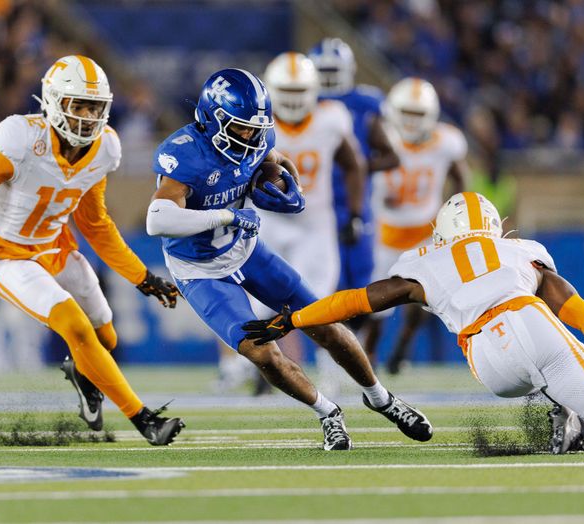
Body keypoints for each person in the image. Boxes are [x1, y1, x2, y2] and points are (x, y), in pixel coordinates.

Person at [0, 55, 184, 446]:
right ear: (55, 102)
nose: (88, 116)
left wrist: (141, 276)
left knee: (105, 335)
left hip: (56, 250)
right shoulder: (21, 140)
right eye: (79, 105)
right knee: (75, 325)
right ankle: (145, 420)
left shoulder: (104, 148)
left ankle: (83, 375)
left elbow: (96, 225)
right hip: (8, 256)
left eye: (95, 107)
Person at [244, 192, 584, 453]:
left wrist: (294, 319)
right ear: (492, 227)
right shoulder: (522, 251)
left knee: (572, 397)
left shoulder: (423, 262)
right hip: (527, 320)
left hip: (486, 360)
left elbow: (355, 301)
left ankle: (579, 426)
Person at [146, 67, 431, 450]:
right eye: (241, 127)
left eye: (255, 127)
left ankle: (382, 399)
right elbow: (157, 219)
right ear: (213, 119)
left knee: (324, 319)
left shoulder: (257, 138)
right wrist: (229, 215)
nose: (251, 136)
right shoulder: (184, 156)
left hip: (245, 251)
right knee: (262, 352)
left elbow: (271, 158)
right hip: (199, 270)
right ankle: (328, 413)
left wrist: (285, 181)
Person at [257, 51, 365, 394]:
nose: (290, 100)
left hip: (314, 223)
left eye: (297, 91)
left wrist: (356, 213)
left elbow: (354, 164)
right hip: (267, 221)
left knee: (317, 303)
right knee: (256, 302)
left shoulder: (332, 117)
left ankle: (331, 369)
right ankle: (256, 367)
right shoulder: (257, 121)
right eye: (284, 92)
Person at [367, 77, 467, 373]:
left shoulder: (446, 142)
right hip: (384, 234)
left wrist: (455, 215)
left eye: (418, 114)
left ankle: (403, 347)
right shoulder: (380, 138)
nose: (411, 122)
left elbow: (461, 178)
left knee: (425, 299)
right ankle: (369, 354)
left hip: (425, 233)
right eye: (406, 113)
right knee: (375, 302)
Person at [307, 38, 400, 312]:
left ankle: (354, 342)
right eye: (322, 73)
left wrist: (356, 167)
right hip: (314, 207)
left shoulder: (364, 105)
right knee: (322, 279)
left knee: (359, 278)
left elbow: (391, 155)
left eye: (332, 72)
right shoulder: (303, 102)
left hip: (355, 202)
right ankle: (328, 346)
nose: (327, 81)